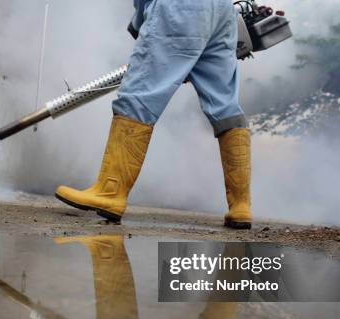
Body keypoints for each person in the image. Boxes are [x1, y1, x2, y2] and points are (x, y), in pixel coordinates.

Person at [55, 0, 252, 229]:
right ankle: (241, 206)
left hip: (179, 9)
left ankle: (110, 192)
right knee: (225, 105)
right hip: (222, 12)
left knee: (138, 95)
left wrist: (140, 21)